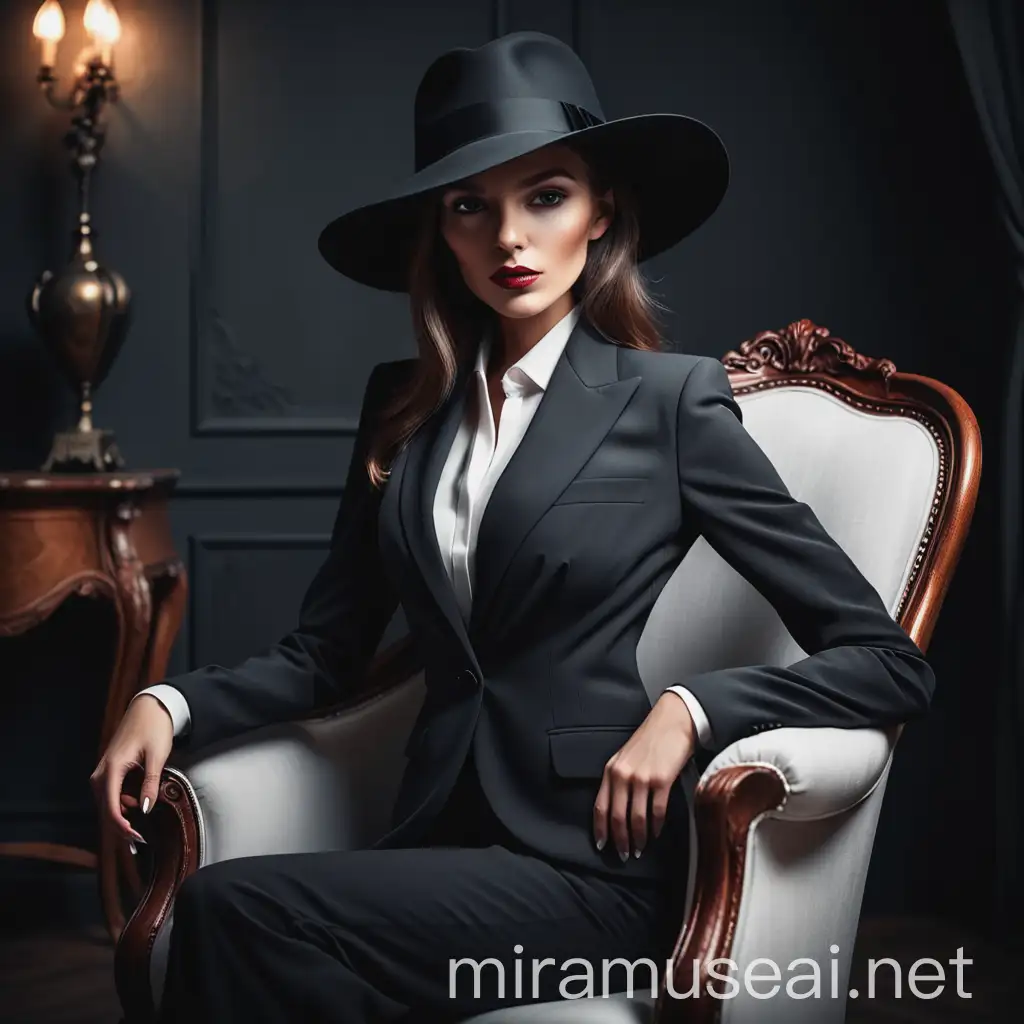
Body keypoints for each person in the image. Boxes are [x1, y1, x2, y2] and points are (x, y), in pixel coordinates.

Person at [90, 30, 935, 1023]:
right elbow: (326, 653)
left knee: (234, 912)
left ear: (600, 210)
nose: (508, 239)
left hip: (593, 864)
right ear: (438, 232)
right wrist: (168, 703)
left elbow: (887, 663)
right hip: (432, 846)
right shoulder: (401, 409)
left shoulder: (668, 405)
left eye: (545, 195)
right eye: (468, 207)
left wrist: (691, 711)